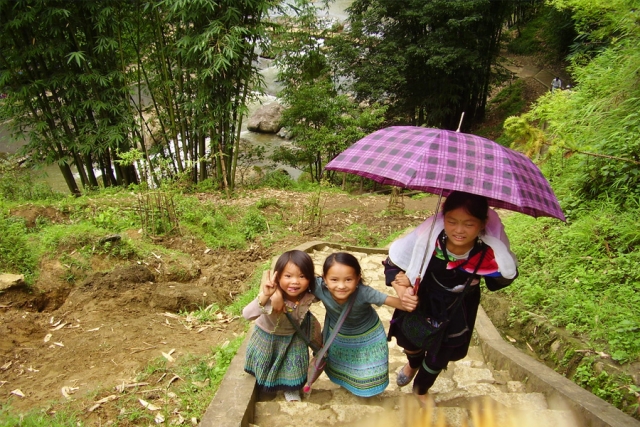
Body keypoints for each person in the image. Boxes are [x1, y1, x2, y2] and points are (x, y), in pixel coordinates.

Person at [384, 191, 518, 404]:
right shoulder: (428, 241)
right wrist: (402, 291)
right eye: (452, 221)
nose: (459, 230)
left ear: (483, 224)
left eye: (469, 224)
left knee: (440, 355)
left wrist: (497, 266)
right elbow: (393, 265)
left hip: (457, 310)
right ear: (443, 218)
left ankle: (420, 389)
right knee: (410, 340)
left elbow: (498, 282)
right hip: (422, 301)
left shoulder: (487, 254)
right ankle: (413, 362)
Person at [312, 252, 407, 397]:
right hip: (338, 336)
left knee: (369, 372)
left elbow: (400, 304)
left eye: (348, 279)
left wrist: (409, 290)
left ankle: (368, 394)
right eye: (334, 280)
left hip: (368, 337)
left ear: (358, 279)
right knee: (343, 367)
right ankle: (349, 387)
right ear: (324, 279)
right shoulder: (319, 287)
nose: (341, 286)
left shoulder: (365, 293)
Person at [243, 250, 322, 402]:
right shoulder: (272, 297)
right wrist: (266, 295)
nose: (295, 282)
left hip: (294, 336)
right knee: (267, 364)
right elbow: (247, 314)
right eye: (288, 276)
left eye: (302, 276)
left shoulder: (308, 294)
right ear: (278, 276)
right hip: (269, 336)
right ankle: (265, 386)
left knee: (295, 362)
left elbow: (326, 286)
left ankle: (291, 389)